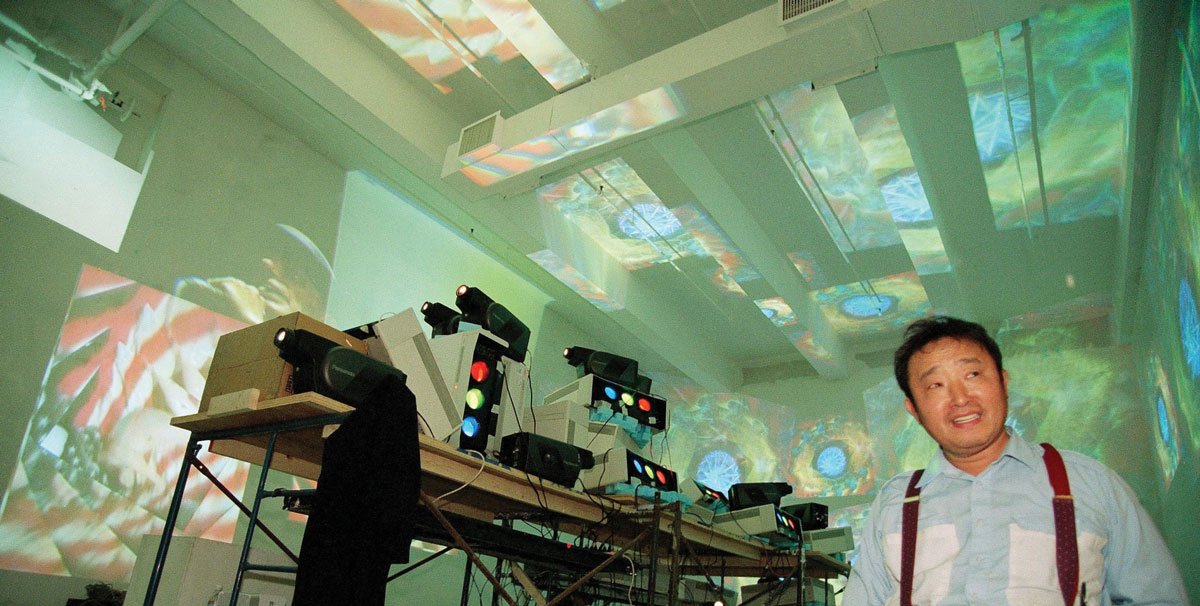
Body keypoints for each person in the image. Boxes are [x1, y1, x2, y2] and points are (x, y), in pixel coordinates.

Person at [843, 316, 1187, 605]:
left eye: (973, 375)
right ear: (914, 411)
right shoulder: (892, 504)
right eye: (935, 385)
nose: (960, 399)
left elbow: (1157, 598)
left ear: (1004, 383)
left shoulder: (1091, 483)